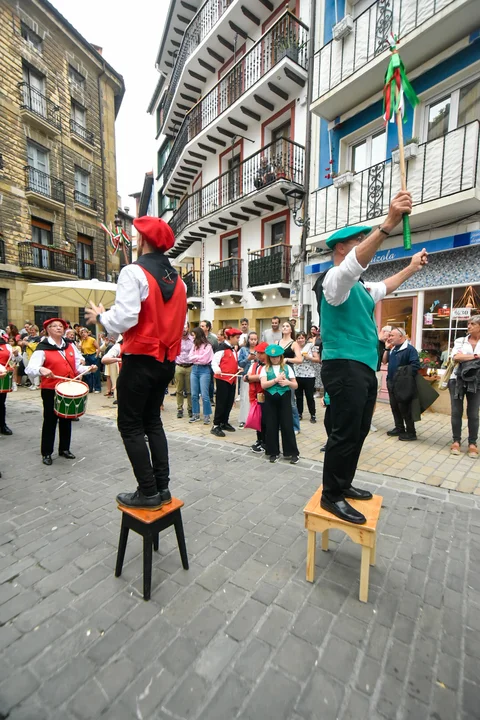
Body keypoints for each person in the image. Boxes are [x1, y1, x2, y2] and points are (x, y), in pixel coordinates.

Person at [313, 190, 428, 524]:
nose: (364, 244)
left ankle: (342, 484)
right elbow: (353, 266)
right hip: (343, 365)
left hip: (362, 367)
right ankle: (331, 495)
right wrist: (389, 223)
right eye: (357, 241)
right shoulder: (334, 280)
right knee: (344, 432)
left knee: (359, 430)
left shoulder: (361, 288)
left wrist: (411, 268)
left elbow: (386, 286)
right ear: (341, 248)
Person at [85, 215, 187, 510]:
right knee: (152, 421)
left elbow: (125, 318)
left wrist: (101, 317)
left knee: (130, 425)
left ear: (142, 240)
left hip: (140, 360)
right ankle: (162, 488)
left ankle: (148, 492)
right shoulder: (179, 281)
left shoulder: (133, 272)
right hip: (165, 361)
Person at [25, 318, 95, 465]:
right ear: (48, 330)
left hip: (68, 387)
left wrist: (88, 368)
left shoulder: (70, 345)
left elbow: (77, 367)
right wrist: (41, 369)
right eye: (54, 326)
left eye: (61, 326)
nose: (58, 328)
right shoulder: (42, 348)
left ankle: (64, 449)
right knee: (50, 420)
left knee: (66, 419)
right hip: (51, 389)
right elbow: (29, 369)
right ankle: (46, 452)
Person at [260, 344, 299, 464]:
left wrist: (287, 382)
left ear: (281, 357)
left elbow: (295, 385)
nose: (275, 359)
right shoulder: (265, 368)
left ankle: (292, 452)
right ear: (269, 357)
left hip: (284, 398)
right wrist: (275, 380)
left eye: (277, 357)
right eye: (272, 357)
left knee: (287, 424)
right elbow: (263, 385)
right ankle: (273, 452)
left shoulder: (287, 368)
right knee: (271, 425)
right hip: (270, 399)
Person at [449, 315, 480, 459]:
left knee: (473, 413)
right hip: (457, 380)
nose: (469, 326)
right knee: (456, 411)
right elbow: (456, 357)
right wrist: (476, 356)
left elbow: (461, 357)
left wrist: (465, 357)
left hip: (477, 382)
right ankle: (456, 441)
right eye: (468, 324)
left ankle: (472, 443)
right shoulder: (460, 341)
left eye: (472, 324)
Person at [386, 327, 420, 441]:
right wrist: (387, 348)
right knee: (394, 406)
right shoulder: (393, 349)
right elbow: (385, 361)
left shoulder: (410, 349)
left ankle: (411, 432)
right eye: (389, 335)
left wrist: (402, 373)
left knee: (405, 408)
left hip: (403, 384)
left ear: (401, 336)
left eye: (392, 335)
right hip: (391, 382)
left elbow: (415, 366)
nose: (390, 337)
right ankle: (399, 428)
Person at [211, 328, 241, 437]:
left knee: (229, 402)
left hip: (232, 379)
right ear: (230, 337)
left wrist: (238, 367)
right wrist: (217, 369)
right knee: (221, 402)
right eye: (237, 338)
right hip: (223, 379)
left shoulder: (233, 349)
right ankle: (216, 425)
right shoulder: (221, 348)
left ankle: (224, 422)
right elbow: (214, 362)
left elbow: (231, 362)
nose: (238, 340)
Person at [279, 320, 302, 433]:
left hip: (289, 371)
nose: (284, 327)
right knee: (278, 397)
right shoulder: (277, 342)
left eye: (287, 326)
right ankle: (281, 424)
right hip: (277, 370)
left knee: (291, 400)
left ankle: (295, 426)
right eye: (283, 326)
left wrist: (288, 359)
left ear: (291, 329)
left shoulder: (294, 344)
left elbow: (300, 359)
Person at [189, 326, 214, 425]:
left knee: (204, 394)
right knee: (194, 394)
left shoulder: (208, 346)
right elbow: (189, 357)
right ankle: (195, 414)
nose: (193, 337)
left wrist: (195, 357)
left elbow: (205, 359)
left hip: (204, 370)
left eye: (194, 335)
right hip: (194, 369)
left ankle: (207, 415)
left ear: (198, 335)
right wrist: (197, 357)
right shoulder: (194, 345)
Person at [247, 341, 268, 453]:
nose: (259, 355)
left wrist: (251, 377)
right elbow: (247, 377)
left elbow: (260, 377)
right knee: (257, 419)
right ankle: (259, 439)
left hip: (265, 396)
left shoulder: (269, 366)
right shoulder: (254, 365)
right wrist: (250, 377)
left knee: (265, 421)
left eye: (261, 353)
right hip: (255, 396)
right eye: (257, 352)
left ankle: (265, 442)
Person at [295, 331, 320, 423]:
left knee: (309, 396)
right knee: (298, 396)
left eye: (302, 338)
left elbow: (317, 359)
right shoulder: (295, 347)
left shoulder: (310, 346)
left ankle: (313, 414)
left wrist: (309, 357)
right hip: (297, 374)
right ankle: (299, 413)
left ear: (305, 338)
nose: (300, 340)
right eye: (298, 338)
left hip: (309, 375)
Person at [370, 325, 392, 432]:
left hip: (377, 372)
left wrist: (387, 348)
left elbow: (384, 361)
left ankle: (368, 421)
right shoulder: (372, 340)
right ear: (383, 331)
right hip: (367, 371)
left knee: (373, 398)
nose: (390, 337)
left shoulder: (385, 344)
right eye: (389, 335)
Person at [238, 331, 258, 427]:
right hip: (246, 376)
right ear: (248, 340)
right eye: (251, 339)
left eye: (255, 339)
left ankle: (255, 418)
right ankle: (243, 419)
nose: (253, 341)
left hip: (257, 376)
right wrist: (248, 359)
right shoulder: (243, 350)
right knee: (245, 398)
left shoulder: (259, 350)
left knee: (256, 398)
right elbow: (240, 363)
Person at [175, 323, 194, 419]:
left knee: (190, 390)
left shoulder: (193, 340)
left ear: (188, 328)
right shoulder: (176, 339)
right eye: (182, 327)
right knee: (179, 390)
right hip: (179, 366)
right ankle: (179, 409)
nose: (183, 329)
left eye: (185, 327)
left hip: (190, 366)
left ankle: (190, 409)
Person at [200, 319, 218, 405]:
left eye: (202, 326)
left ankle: (210, 398)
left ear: (207, 328)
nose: (201, 327)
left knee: (210, 381)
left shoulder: (213, 339)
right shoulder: (198, 337)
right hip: (200, 363)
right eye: (200, 326)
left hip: (210, 364)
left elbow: (216, 351)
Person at [79, 328, 101, 393]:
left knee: (96, 373)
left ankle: (97, 388)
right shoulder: (82, 341)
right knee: (88, 373)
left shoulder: (92, 339)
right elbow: (82, 350)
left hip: (92, 355)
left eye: (84, 332)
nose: (83, 334)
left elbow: (98, 348)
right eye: (82, 333)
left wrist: (96, 356)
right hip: (86, 356)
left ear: (87, 333)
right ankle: (90, 388)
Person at [0, 330, 13, 435]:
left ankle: (2, 425)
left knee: (1, 403)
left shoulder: (7, 346)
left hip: (3, 376)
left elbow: (15, 359)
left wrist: (16, 355)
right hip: (1, 371)